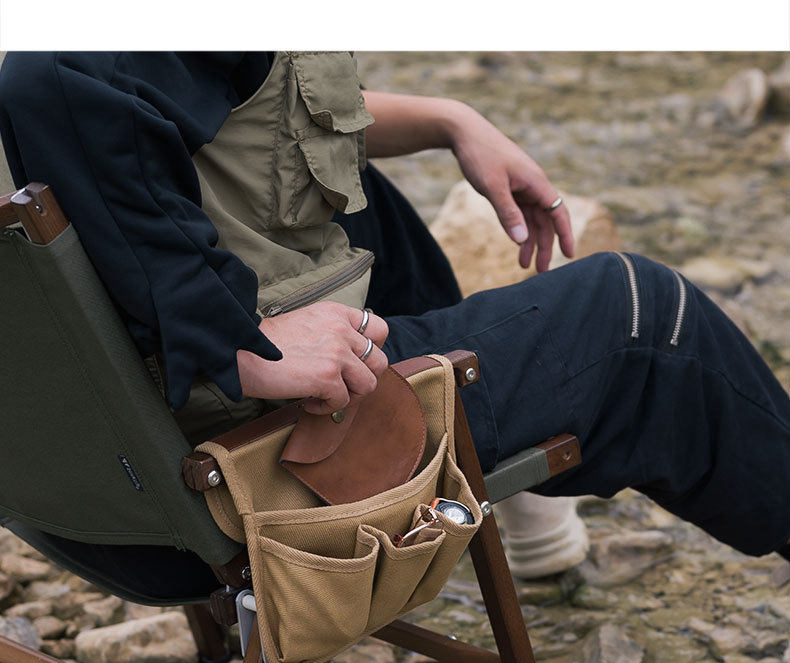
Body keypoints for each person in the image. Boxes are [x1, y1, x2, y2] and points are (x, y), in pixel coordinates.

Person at [0, 51, 787, 565]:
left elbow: (263, 110)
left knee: (357, 196)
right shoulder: (68, 66)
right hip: (252, 459)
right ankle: (490, 448)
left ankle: (518, 497)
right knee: (645, 316)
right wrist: (240, 342)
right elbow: (50, 77)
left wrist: (451, 120)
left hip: (98, 488)